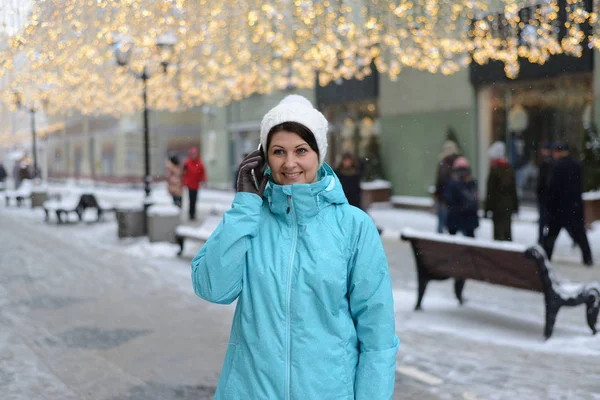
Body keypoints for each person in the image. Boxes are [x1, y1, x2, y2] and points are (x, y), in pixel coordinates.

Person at [191, 95, 398, 399]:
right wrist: (245, 205)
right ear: (263, 158)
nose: (290, 163)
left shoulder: (354, 227)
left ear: (319, 154)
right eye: (278, 152)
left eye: (301, 150)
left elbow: (377, 335)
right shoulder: (249, 220)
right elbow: (212, 287)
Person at [543, 142, 593, 266]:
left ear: (558, 152)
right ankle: (588, 258)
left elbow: (553, 188)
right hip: (574, 207)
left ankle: (545, 258)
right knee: (580, 235)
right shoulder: (576, 166)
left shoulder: (557, 166)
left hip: (559, 208)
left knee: (551, 236)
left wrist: (549, 205)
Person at [485, 141, 519, 241]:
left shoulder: (494, 169)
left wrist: (487, 207)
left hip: (497, 205)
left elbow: (490, 190)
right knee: (507, 229)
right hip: (507, 204)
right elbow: (513, 189)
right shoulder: (509, 168)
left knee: (498, 232)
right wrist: (515, 205)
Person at [444, 156, 479, 238]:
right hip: (469, 217)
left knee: (451, 240)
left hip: (455, 217)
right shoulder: (471, 183)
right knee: (470, 241)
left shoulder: (453, 183)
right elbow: (474, 200)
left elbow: (448, 199)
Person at [434, 140, 460, 233]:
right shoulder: (459, 162)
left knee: (441, 223)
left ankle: (440, 244)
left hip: (444, 199)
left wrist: (438, 196)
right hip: (456, 199)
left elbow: (440, 181)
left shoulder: (444, 163)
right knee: (454, 225)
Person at [182, 147, 207, 221]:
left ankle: (193, 214)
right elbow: (183, 172)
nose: (194, 156)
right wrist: (183, 180)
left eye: (195, 154)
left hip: (196, 184)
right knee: (191, 199)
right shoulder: (187, 162)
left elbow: (202, 172)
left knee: (194, 200)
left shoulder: (199, 163)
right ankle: (191, 214)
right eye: (192, 154)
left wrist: (203, 180)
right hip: (189, 184)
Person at [536, 141, 553, 244]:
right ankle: (541, 239)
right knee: (543, 220)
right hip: (544, 196)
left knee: (545, 220)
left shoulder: (549, 163)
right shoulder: (544, 163)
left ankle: (542, 239)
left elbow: (545, 181)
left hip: (546, 197)